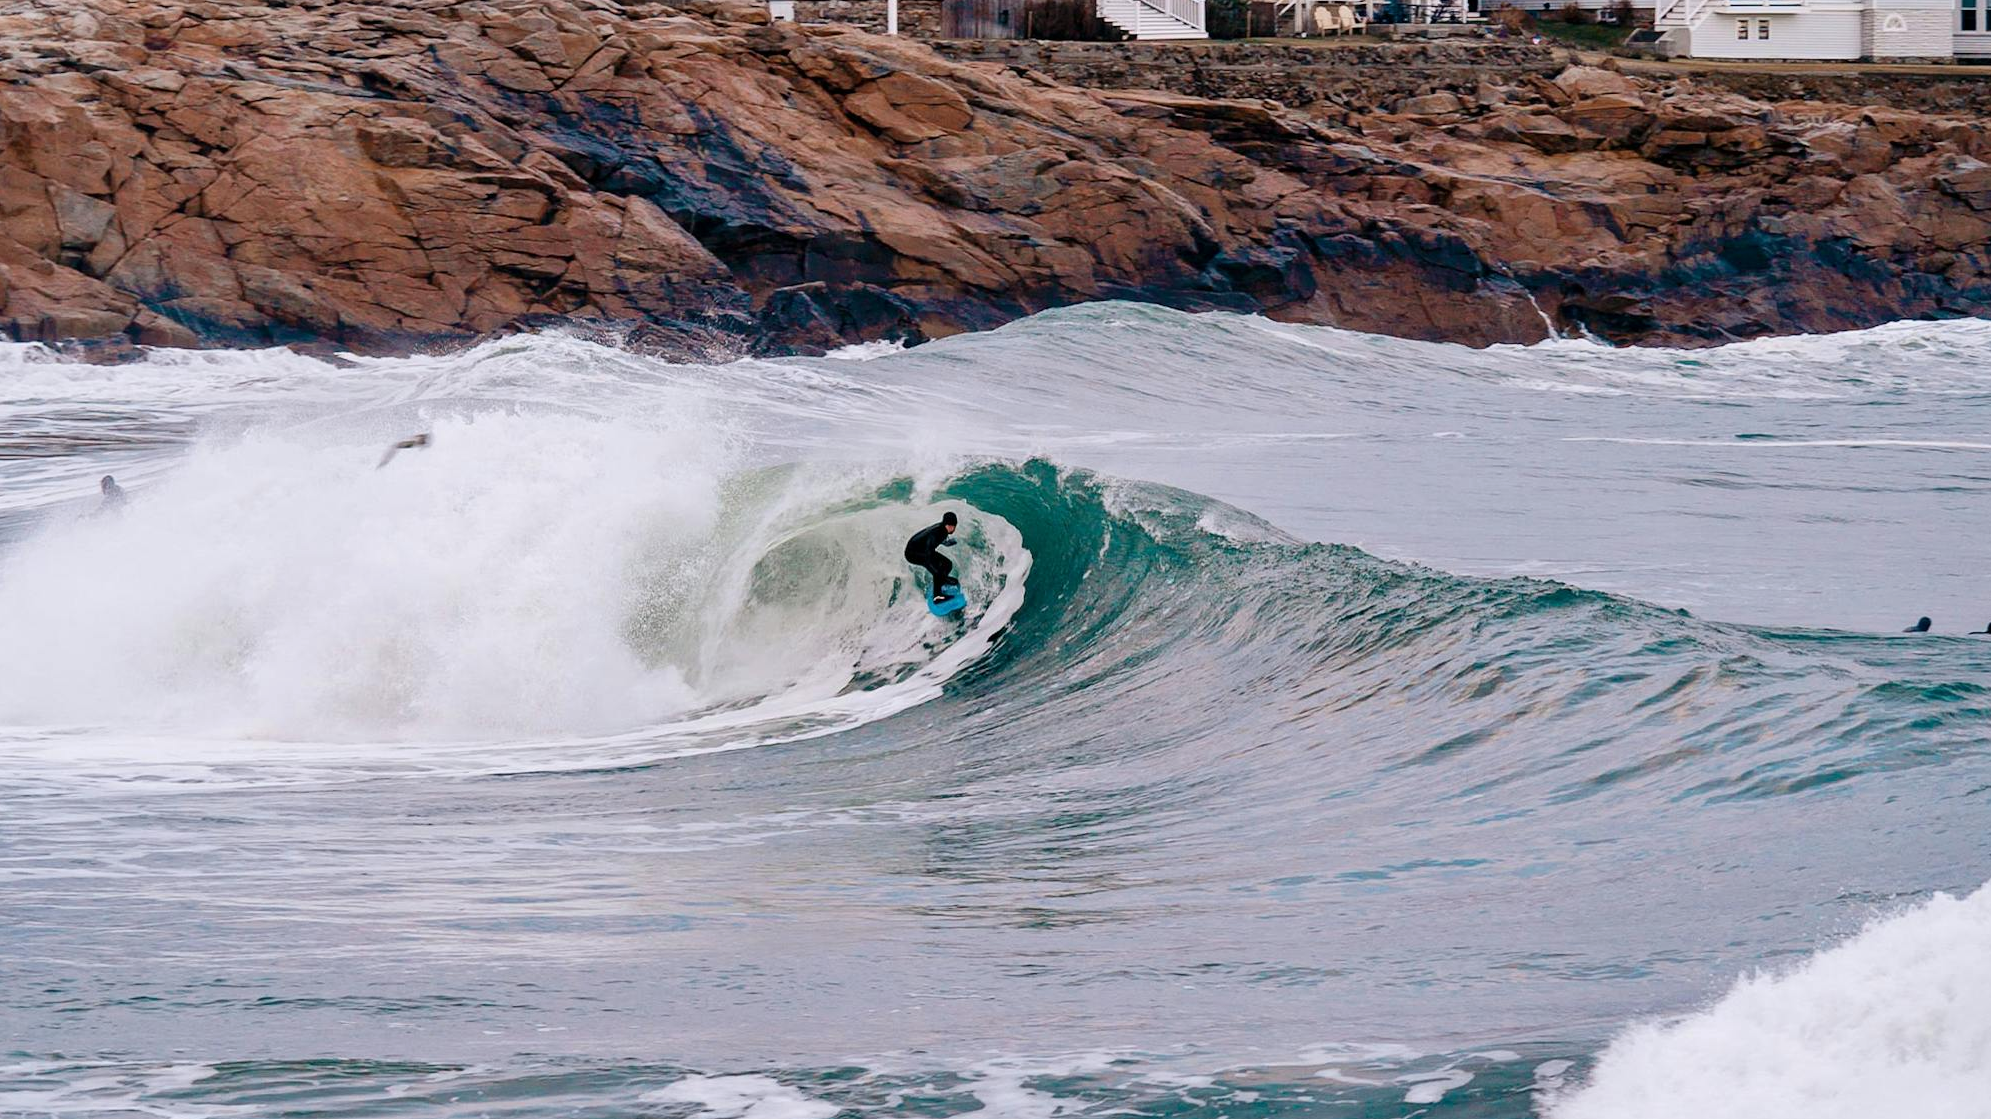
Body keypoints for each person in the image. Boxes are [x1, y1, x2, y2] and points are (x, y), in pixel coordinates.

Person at [904, 511, 959, 604]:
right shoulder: (938, 532)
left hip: (922, 550)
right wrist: (938, 573)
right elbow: (928, 555)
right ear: (950, 526)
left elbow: (936, 539)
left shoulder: (942, 529)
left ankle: (940, 582)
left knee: (947, 564)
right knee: (937, 571)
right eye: (954, 526)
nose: (954, 529)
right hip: (913, 554)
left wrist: (947, 543)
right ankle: (937, 597)